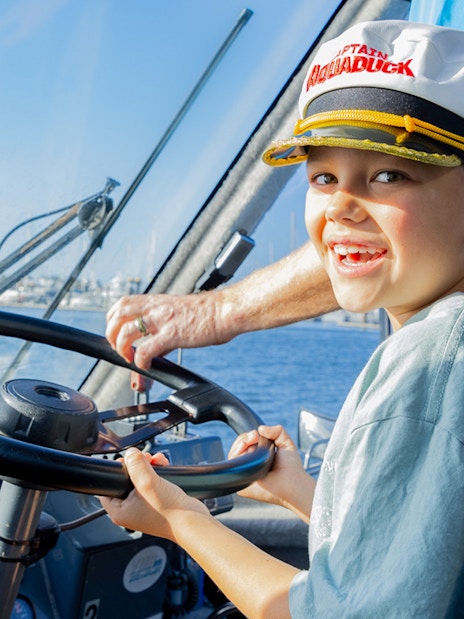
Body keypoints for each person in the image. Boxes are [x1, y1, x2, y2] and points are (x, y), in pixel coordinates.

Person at [102, 20, 464, 618]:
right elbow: (415, 556)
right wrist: (299, 492)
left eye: (388, 174)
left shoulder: (433, 363)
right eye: (323, 177)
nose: (342, 205)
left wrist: (179, 519)